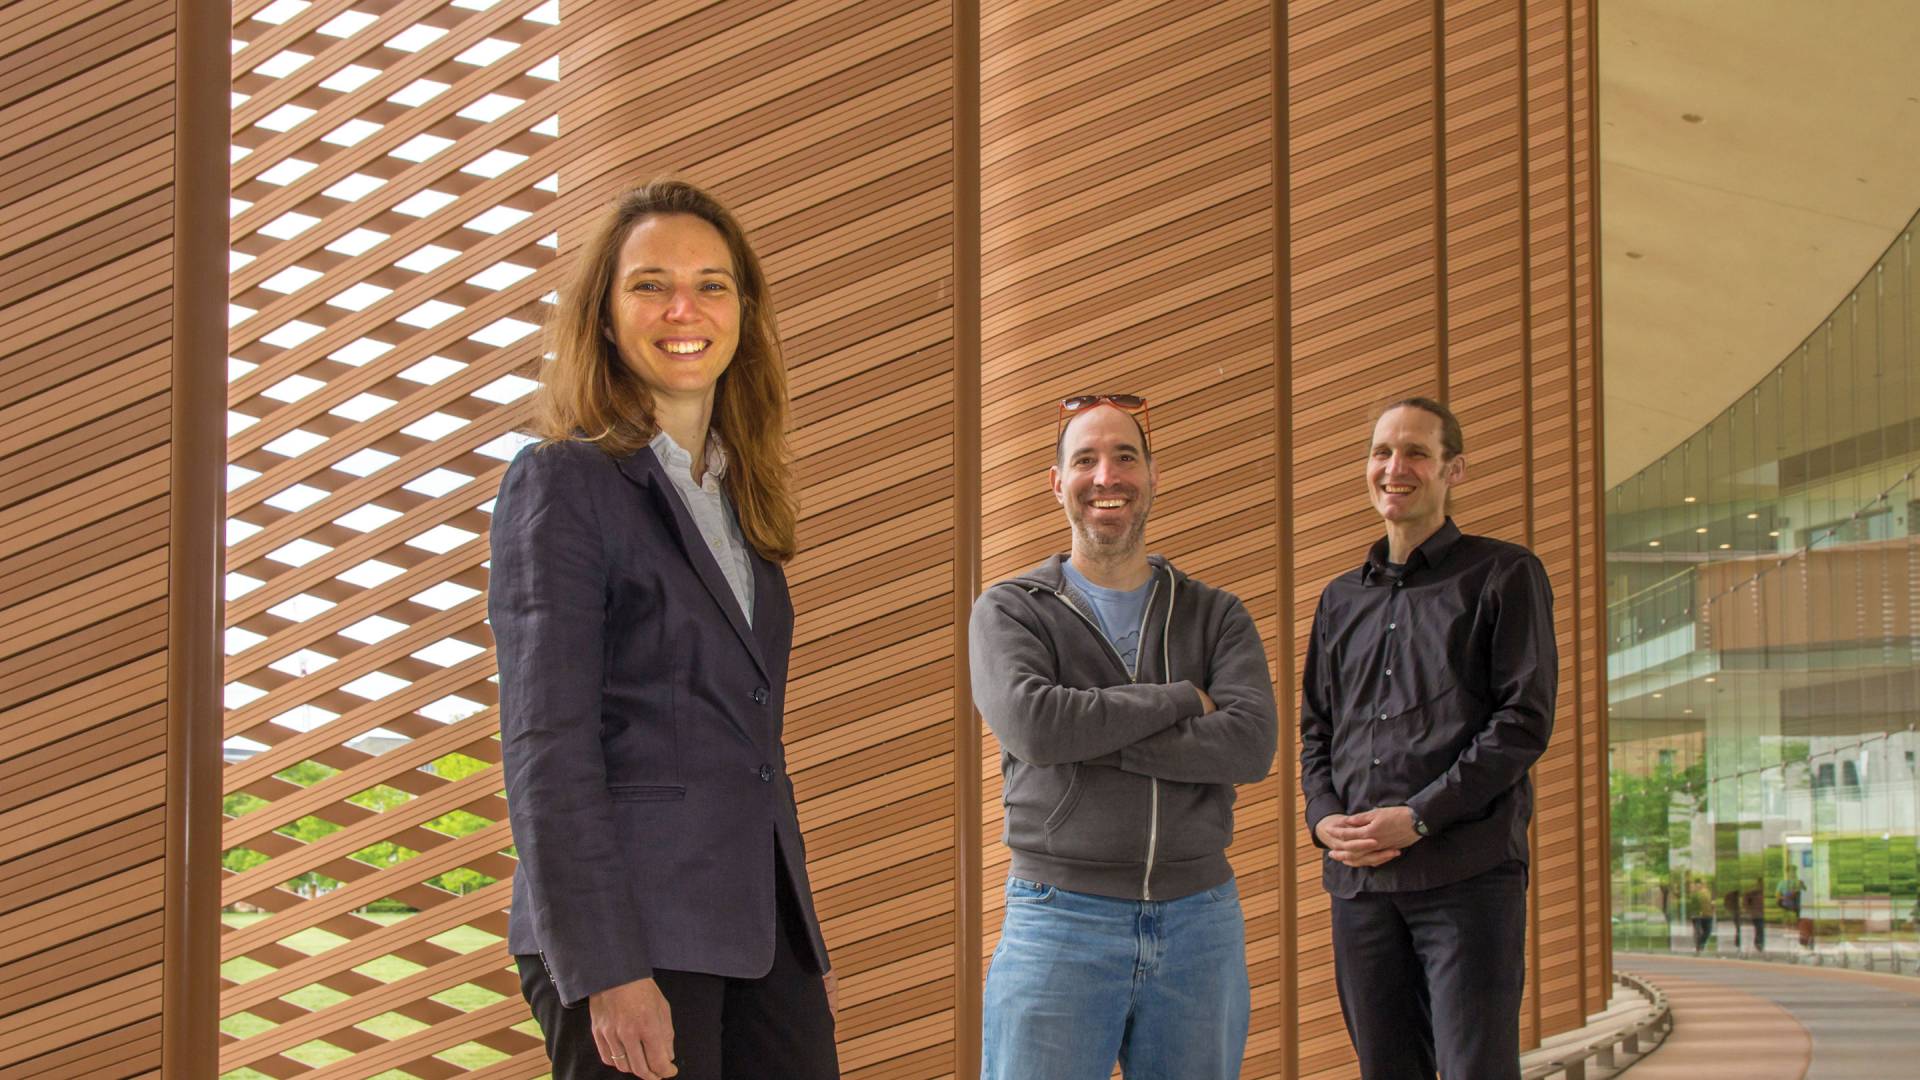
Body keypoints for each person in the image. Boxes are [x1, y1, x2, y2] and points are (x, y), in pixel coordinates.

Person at [490, 180, 838, 1080]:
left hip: (760, 931)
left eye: (712, 285)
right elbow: (545, 746)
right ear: (605, 316)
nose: (684, 309)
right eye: (650, 284)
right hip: (637, 934)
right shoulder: (562, 483)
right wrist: (607, 968)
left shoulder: (740, 502)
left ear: (742, 314)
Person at [969, 395, 1278, 1080]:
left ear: (1154, 475)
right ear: (1057, 483)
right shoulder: (1012, 609)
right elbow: (1034, 725)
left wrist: (1086, 733)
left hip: (1200, 923)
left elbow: (1251, 744)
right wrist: (1179, 702)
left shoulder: (1216, 614)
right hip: (1058, 923)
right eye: (1086, 459)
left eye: (1125, 457)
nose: (1107, 476)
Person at [1300, 397, 1556, 1080]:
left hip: (1466, 879)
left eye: (1415, 452)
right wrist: (1323, 818)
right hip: (1359, 885)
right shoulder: (1338, 600)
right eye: (1382, 452)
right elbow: (1316, 729)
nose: (1395, 467)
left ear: (1455, 470)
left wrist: (1417, 818)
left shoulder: (1504, 575)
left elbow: (1522, 723)